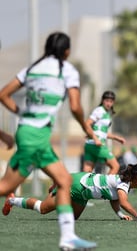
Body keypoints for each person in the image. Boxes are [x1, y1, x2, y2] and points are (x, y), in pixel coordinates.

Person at [0, 32, 97, 250]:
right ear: (67, 51)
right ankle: (68, 237)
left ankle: (68, 237)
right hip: (36, 137)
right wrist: (86, 127)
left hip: (29, 133)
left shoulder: (32, 69)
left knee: (64, 181)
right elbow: (75, 106)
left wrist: (23, 113)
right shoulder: (68, 71)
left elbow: (3, 94)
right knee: (6, 186)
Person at [3, 163, 137, 220]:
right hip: (76, 185)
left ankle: (59, 199)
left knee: (72, 219)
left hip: (82, 193)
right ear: (135, 179)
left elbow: (115, 200)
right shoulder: (123, 184)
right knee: (43, 209)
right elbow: (123, 202)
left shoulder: (124, 185)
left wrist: (120, 215)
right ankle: (11, 200)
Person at [82, 90, 126, 175]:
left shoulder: (106, 113)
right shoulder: (99, 111)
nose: (109, 103)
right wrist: (95, 139)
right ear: (102, 100)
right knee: (115, 166)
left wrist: (117, 138)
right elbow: (87, 124)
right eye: (107, 101)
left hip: (89, 145)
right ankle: (105, 187)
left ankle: (72, 187)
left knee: (86, 174)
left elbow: (100, 132)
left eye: (111, 101)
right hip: (97, 145)